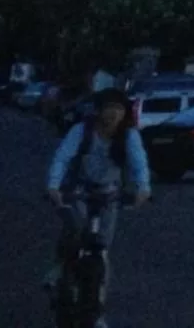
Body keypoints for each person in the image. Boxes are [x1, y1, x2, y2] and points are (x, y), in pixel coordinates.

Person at [45, 88, 150, 324]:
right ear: (99, 110)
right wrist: (53, 186)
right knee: (74, 230)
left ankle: (97, 312)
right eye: (109, 108)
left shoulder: (129, 136)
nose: (113, 114)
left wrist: (143, 188)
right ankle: (58, 270)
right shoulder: (82, 131)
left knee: (102, 253)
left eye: (119, 109)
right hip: (80, 191)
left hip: (109, 196)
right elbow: (63, 157)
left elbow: (139, 163)